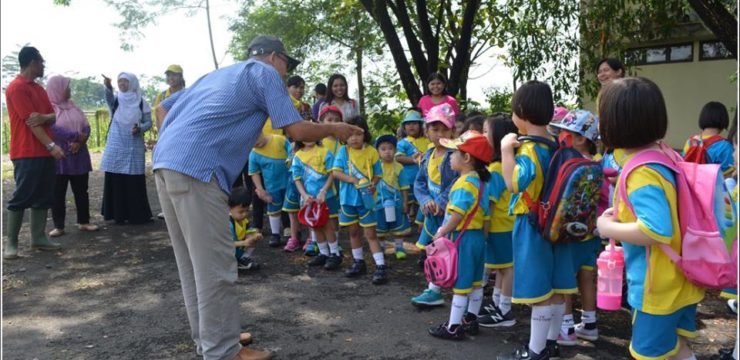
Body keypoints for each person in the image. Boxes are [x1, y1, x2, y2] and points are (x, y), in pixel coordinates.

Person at [152, 35, 362, 360]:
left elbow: (162, 108)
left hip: (167, 164)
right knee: (216, 264)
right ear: (275, 57)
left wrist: (177, 143)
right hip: (198, 170)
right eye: (285, 66)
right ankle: (223, 351)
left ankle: (213, 340)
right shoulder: (263, 73)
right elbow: (296, 131)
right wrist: (336, 130)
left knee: (193, 265)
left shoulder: (220, 74)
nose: (284, 74)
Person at [596, 77, 705, 360]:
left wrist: (607, 227)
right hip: (681, 278)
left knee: (648, 354)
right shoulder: (665, 155)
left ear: (614, 124)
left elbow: (656, 230)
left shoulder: (641, 172)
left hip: (657, 289)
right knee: (677, 349)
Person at [498, 81, 573, 360]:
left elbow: (514, 183)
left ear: (521, 111)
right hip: (554, 224)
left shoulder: (528, 149)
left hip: (532, 224)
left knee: (539, 291)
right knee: (553, 289)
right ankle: (550, 345)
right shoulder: (554, 145)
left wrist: (506, 150)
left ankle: (535, 351)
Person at [427, 130, 492, 340]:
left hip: (462, 238)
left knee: (461, 285)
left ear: (466, 158)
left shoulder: (463, 183)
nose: (450, 156)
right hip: (477, 239)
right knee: (475, 282)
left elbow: (456, 214)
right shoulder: (481, 182)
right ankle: (470, 319)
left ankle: (453, 327)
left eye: (454, 152)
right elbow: (487, 216)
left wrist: (441, 232)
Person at [546, 110, 602, 346]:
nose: (560, 137)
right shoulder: (599, 164)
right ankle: (589, 324)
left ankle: (565, 328)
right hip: (592, 233)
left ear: (580, 138)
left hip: (569, 234)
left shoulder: (568, 163)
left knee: (564, 281)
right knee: (587, 277)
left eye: (565, 133)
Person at [4, 46, 64, 259]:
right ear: (31, 62)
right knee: (22, 196)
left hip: (44, 153)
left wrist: (45, 117)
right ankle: (11, 244)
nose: (43, 65)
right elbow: (32, 122)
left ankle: (38, 238)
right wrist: (51, 146)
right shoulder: (16, 88)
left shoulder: (39, 89)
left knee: (44, 196)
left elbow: (53, 116)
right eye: (41, 61)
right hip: (26, 151)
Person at [410, 104, 459, 307]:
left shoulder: (454, 155)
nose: (440, 134)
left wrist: (440, 201)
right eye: (435, 129)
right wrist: (425, 200)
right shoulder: (428, 155)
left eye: (445, 129)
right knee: (434, 250)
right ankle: (434, 289)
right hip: (432, 213)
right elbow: (419, 182)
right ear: (427, 131)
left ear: (452, 131)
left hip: (448, 213)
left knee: (450, 250)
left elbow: (456, 182)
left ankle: (457, 290)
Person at [332, 115, 388, 284]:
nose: (354, 138)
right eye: (350, 134)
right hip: (348, 199)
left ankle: (380, 266)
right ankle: (358, 262)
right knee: (353, 231)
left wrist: (373, 185)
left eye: (358, 134)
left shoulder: (371, 151)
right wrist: (353, 180)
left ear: (365, 134)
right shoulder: (343, 151)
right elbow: (336, 172)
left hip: (366, 200)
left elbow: (378, 174)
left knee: (370, 233)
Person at [477, 113, 518, 328]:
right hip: (505, 225)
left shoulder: (494, 170)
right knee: (502, 267)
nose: (482, 135)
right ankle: (497, 303)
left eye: (485, 131)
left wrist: (482, 231)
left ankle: (505, 310)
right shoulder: (505, 166)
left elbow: (489, 206)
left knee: (506, 268)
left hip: (500, 226)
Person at [46, 75, 98, 237]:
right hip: (60, 155)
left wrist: (80, 142)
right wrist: (75, 136)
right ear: (58, 89)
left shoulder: (74, 107)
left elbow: (86, 127)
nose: (69, 90)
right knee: (58, 191)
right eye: (66, 87)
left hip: (79, 154)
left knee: (82, 190)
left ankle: (84, 221)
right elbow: (53, 129)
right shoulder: (50, 109)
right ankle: (59, 226)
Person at [100, 72, 154, 225]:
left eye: (125, 81)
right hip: (116, 143)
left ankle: (136, 214)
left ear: (132, 83)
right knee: (116, 178)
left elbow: (148, 122)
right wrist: (108, 86)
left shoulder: (141, 102)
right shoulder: (116, 99)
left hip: (133, 144)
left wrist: (140, 128)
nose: (122, 84)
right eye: (120, 82)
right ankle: (118, 214)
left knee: (133, 179)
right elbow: (109, 98)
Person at [292, 138, 341, 269]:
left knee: (328, 225)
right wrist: (304, 195)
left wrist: (324, 191)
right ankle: (323, 253)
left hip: (326, 197)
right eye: (305, 135)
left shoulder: (325, 152)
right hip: (309, 199)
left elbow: (332, 173)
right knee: (315, 226)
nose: (309, 137)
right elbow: (297, 179)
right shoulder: (297, 156)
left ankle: (335, 254)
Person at [153, 64, 186, 220]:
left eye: (174, 75)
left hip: (183, 136)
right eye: (168, 75)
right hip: (166, 137)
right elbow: (158, 116)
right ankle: (167, 208)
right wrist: (161, 136)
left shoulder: (188, 93)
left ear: (181, 76)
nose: (171, 78)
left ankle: (182, 207)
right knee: (165, 173)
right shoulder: (162, 96)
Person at [248, 132, 290, 247]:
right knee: (273, 209)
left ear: (260, 131)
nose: (255, 142)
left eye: (255, 137)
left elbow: (292, 152)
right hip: (272, 186)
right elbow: (254, 173)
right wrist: (260, 189)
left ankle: (292, 230)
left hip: (289, 182)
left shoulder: (279, 140)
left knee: (291, 207)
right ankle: (275, 234)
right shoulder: (254, 153)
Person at [374, 134, 411, 260]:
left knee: (398, 227)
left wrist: (405, 202)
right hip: (378, 202)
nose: (387, 152)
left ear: (395, 150)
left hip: (396, 203)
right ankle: (382, 247)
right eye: (383, 149)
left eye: (390, 148)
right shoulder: (375, 167)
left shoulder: (399, 167)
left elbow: (404, 186)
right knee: (380, 227)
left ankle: (399, 247)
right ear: (378, 152)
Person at [395, 109, 430, 226]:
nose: (411, 126)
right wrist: (414, 160)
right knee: (407, 201)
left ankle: (418, 221)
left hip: (425, 179)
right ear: (404, 127)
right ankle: (404, 223)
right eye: (408, 124)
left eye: (415, 123)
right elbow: (398, 158)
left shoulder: (427, 141)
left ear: (421, 126)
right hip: (408, 179)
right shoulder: (402, 143)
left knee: (420, 200)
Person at [682, 101, 734, 175]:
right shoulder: (725, 146)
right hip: (712, 186)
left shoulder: (691, 141)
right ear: (724, 120)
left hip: (689, 185)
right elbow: (728, 176)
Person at [229, 187, 263, 271]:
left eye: (247, 211)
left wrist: (254, 236)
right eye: (241, 212)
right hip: (228, 250)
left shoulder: (244, 221)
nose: (244, 214)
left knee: (253, 240)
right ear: (229, 209)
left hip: (238, 248)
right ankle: (232, 262)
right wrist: (243, 242)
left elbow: (248, 231)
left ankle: (242, 259)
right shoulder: (229, 224)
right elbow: (226, 243)